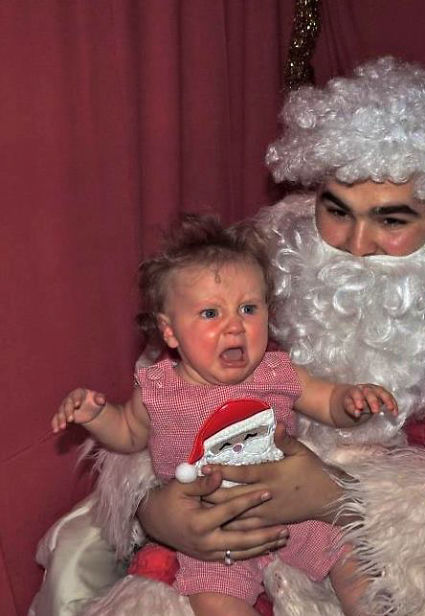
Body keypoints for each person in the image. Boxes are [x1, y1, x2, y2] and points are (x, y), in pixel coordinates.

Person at [34, 56, 425, 616]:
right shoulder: (258, 259)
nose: (357, 244)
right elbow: (170, 397)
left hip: (409, 556)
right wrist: (157, 511)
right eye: (337, 210)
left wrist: (337, 496)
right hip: (231, 530)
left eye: (392, 220)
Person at [50, 214, 397, 616]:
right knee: (214, 602)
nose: (235, 327)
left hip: (292, 507)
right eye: (211, 314)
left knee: (352, 558)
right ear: (170, 331)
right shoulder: (159, 389)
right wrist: (95, 415)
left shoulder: (276, 371)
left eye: (248, 308)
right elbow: (127, 433)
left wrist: (352, 402)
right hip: (214, 532)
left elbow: (327, 400)